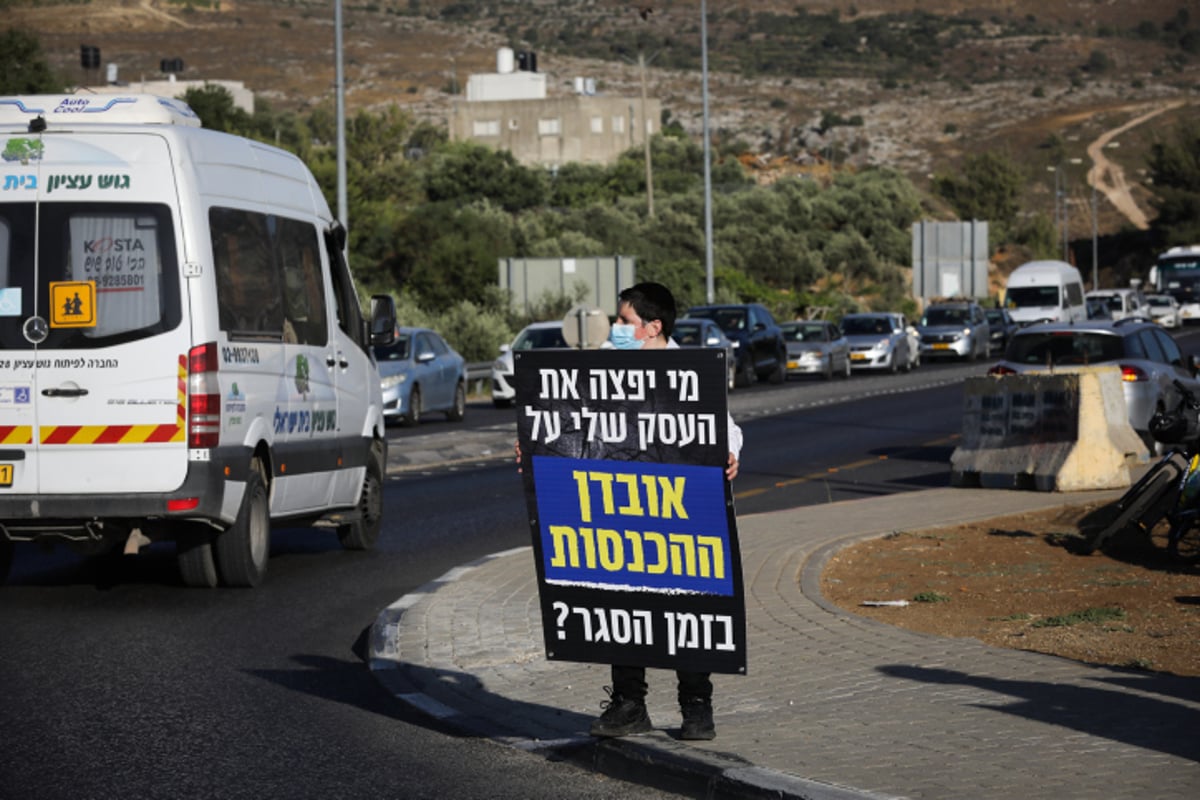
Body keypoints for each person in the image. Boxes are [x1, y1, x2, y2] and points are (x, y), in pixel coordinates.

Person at [589, 281, 743, 741]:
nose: (615, 329)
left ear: (653, 327)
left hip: (682, 508)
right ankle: (629, 704)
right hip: (622, 505)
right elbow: (567, 420)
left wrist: (730, 453)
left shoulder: (692, 371)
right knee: (623, 600)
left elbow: (725, 426)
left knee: (686, 605)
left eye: (624, 322)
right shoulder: (604, 367)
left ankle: (697, 707)